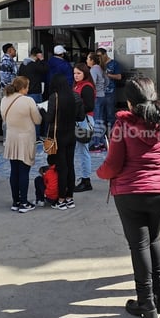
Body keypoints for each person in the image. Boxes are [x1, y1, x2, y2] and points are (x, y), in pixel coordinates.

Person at [96, 77, 160, 318]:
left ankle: (146, 304)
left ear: (130, 102)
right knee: (154, 240)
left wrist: (100, 173)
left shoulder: (123, 125)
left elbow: (112, 165)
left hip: (131, 192)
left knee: (139, 246)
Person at [0, 76, 43, 213]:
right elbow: (38, 120)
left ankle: (16, 201)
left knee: (14, 171)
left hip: (11, 138)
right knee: (24, 171)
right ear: (23, 87)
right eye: (27, 86)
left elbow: (4, 118)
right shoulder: (28, 101)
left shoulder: (4, 99)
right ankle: (24, 202)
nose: (28, 89)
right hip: (25, 139)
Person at [42, 73, 82, 210]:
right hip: (71, 134)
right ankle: (70, 198)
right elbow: (81, 117)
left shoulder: (55, 97)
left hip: (58, 136)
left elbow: (48, 119)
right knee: (70, 165)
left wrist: (42, 110)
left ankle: (61, 199)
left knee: (61, 167)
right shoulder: (75, 96)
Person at [72, 63, 95, 193]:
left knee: (83, 151)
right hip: (79, 121)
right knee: (80, 151)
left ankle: (86, 180)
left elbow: (90, 106)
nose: (76, 75)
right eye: (74, 73)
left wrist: (74, 110)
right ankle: (84, 179)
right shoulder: (77, 85)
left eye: (79, 73)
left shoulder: (86, 87)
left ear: (85, 74)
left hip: (84, 121)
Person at [95, 47, 123, 145]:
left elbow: (119, 76)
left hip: (110, 93)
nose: (99, 58)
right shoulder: (98, 65)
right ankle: (102, 138)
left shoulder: (114, 64)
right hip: (100, 93)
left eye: (100, 55)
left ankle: (112, 136)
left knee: (110, 116)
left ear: (105, 54)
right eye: (97, 56)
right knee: (100, 116)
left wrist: (108, 75)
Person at [86, 51, 107, 151]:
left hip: (97, 97)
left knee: (95, 121)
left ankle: (96, 143)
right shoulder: (101, 68)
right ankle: (102, 142)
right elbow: (107, 81)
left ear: (92, 60)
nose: (86, 60)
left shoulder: (93, 70)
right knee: (100, 119)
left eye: (88, 59)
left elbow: (92, 83)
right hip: (102, 95)